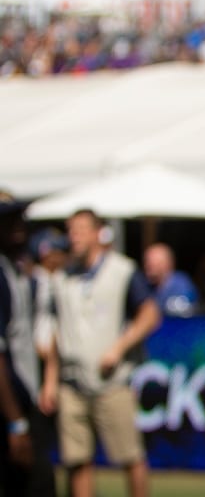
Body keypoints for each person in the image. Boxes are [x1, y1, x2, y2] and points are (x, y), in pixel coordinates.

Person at [39, 209, 161, 497]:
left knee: (130, 457)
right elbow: (57, 331)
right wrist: (50, 379)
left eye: (81, 229)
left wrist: (119, 348)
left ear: (98, 233)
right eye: (71, 230)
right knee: (76, 461)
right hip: (72, 382)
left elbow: (150, 314)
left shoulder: (122, 271)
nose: (74, 236)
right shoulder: (62, 278)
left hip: (112, 381)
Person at [0, 191, 56, 497]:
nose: (17, 226)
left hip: (22, 398)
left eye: (18, 218)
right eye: (7, 220)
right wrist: (16, 423)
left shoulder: (16, 270)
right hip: (11, 407)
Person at [142, 242, 199, 316]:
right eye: (147, 261)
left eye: (155, 262)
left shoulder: (181, 284)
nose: (148, 265)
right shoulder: (146, 285)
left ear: (168, 263)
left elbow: (184, 312)